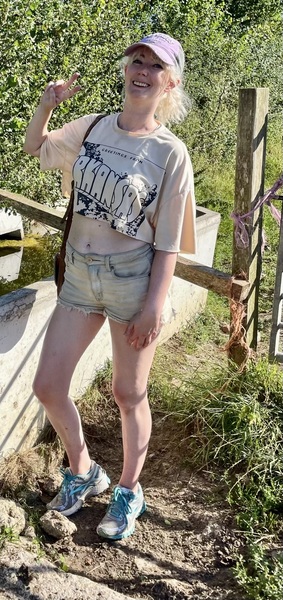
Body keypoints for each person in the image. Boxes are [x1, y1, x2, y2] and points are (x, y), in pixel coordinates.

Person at [23, 32, 197, 540]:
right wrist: (46, 105)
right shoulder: (95, 126)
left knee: (128, 392)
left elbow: (169, 242)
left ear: (170, 83)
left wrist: (154, 306)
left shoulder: (170, 153)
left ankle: (128, 489)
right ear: (126, 69)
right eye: (136, 59)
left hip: (132, 283)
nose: (142, 70)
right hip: (79, 273)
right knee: (48, 386)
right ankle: (83, 471)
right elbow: (37, 147)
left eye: (155, 66)